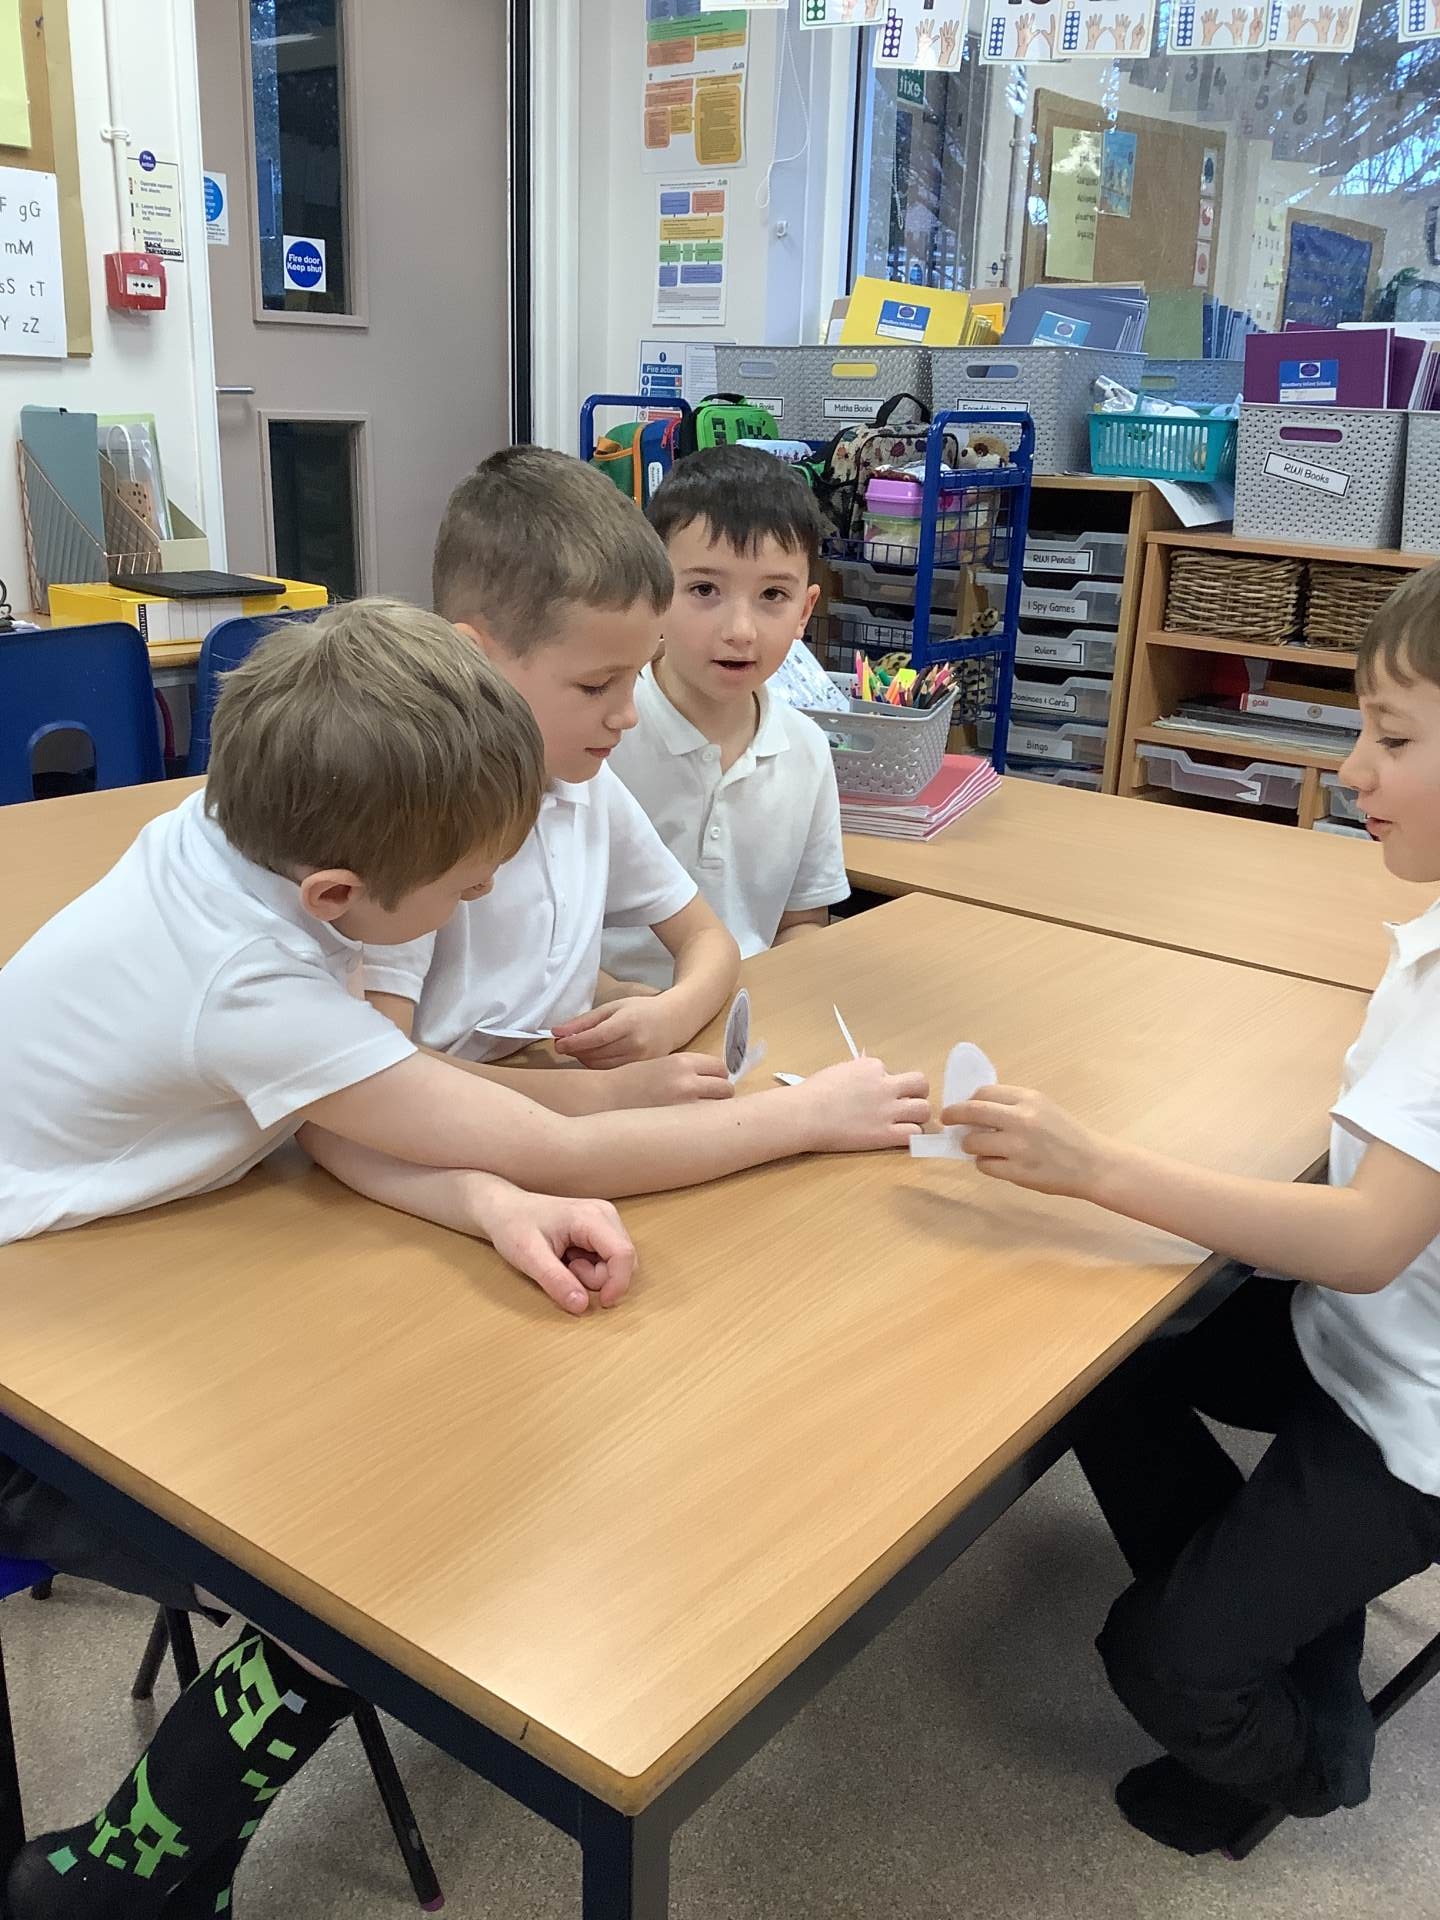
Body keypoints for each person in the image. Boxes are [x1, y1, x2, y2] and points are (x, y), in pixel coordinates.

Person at [1, 599, 928, 1920]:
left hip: (105, 1260)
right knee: (352, 1585)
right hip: (33, 1370)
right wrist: (808, 1118)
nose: (483, 896)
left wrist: (487, 1204)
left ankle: (164, 1870)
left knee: (383, 1512)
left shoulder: (230, 835)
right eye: (465, 887)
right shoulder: (248, 981)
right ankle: (119, 1876)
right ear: (339, 897)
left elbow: (345, 1118)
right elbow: (551, 1141)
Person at [943, 563, 1440, 1854]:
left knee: (1159, 1659)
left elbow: (1371, 1241)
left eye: (1392, 740)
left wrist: (1098, 1165)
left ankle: (1314, 1757)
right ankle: (1280, 1604)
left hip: (1416, 1425)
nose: (1354, 769)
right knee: (1097, 1358)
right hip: (1359, 1338)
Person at [362, 445, 742, 1095]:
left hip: (537, 1091)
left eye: (636, 678)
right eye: (596, 686)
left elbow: (709, 939)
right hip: (450, 1119)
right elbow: (379, 1072)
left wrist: (668, 1015)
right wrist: (603, 1098)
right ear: (474, 661)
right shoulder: (409, 816)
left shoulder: (586, 787)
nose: (627, 715)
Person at [602, 445, 850, 990]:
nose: (740, 630)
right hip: (609, 1013)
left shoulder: (807, 749)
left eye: (773, 595)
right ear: (654, 592)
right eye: (704, 590)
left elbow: (801, 922)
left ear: (805, 611)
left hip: (747, 1012)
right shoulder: (601, 735)